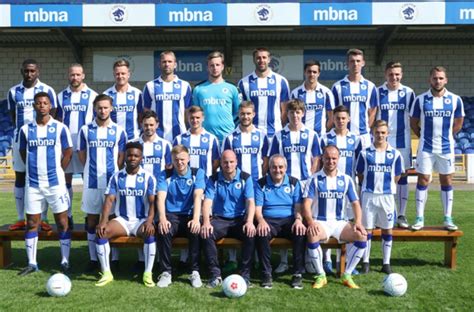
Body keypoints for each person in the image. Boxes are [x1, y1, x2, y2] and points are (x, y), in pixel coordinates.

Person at [17, 92, 73, 275]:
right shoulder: (25, 130)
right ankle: (32, 263)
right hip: (33, 184)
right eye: (39, 103)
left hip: (55, 183)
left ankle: (65, 260)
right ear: (34, 106)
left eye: (45, 103)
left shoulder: (60, 128)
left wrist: (58, 170)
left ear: (50, 106)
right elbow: (24, 153)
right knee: (32, 222)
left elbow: (68, 152)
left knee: (62, 222)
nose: (42, 106)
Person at [302, 145, 367, 289]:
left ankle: (347, 274)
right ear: (322, 159)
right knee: (312, 235)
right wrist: (311, 222)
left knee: (362, 236)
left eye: (333, 158)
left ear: (338, 159)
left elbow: (356, 204)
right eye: (327, 158)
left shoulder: (346, 179)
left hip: (340, 223)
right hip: (320, 221)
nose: (330, 161)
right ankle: (321, 275)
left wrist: (358, 222)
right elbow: (306, 205)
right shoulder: (314, 179)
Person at [95, 141, 157, 287]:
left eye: (136, 156)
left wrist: (149, 220)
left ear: (141, 158)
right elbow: (109, 200)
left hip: (141, 220)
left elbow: (153, 202)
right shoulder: (116, 177)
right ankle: (106, 273)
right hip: (122, 220)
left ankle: (148, 273)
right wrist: (103, 221)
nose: (132, 158)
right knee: (102, 232)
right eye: (130, 155)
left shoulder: (148, 177)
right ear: (125, 157)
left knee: (150, 233)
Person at [410, 66, 464, 231]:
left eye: (441, 78)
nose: (438, 81)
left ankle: (447, 218)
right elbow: (413, 122)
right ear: (430, 80)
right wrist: (422, 136)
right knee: (423, 180)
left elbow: (459, 122)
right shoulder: (421, 99)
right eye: (435, 78)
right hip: (426, 148)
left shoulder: (455, 99)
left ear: (446, 80)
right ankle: (419, 218)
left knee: (446, 180)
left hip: (446, 148)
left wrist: (447, 136)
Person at [78, 94, 127, 272]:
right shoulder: (85, 130)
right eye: (99, 107)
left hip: (110, 184)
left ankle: (114, 258)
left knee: (112, 219)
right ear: (94, 108)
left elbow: (121, 157)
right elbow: (82, 154)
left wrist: (114, 174)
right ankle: (93, 259)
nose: (103, 110)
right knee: (92, 221)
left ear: (111, 109)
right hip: (91, 183)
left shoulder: (119, 131)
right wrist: (89, 170)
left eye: (106, 107)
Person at [7, 59, 57, 231]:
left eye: (32, 71)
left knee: (41, 177)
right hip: (21, 139)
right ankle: (21, 218)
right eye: (26, 71)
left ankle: (42, 218)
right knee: (20, 176)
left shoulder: (47, 90)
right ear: (22, 71)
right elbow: (13, 115)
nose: (29, 74)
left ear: (38, 71)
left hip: (42, 140)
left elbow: (54, 114)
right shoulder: (13, 92)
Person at [201, 150, 256, 287]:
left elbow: (250, 201)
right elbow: (207, 201)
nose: (228, 165)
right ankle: (215, 274)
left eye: (231, 162)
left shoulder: (245, 178)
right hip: (220, 219)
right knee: (206, 233)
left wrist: (249, 222)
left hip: (239, 219)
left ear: (236, 162)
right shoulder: (213, 179)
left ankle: (245, 275)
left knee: (250, 233)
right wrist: (206, 222)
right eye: (225, 162)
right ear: (220, 163)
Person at [356, 120, 404, 274]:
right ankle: (365, 261)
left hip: (387, 197)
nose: (380, 135)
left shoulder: (395, 154)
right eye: (377, 132)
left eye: (383, 132)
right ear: (372, 133)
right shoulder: (365, 153)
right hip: (369, 195)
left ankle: (386, 263)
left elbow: (397, 176)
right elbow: (360, 174)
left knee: (387, 230)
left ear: (387, 133)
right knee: (367, 230)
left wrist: (386, 187)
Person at [319, 105, 362, 275]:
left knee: (345, 224)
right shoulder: (325, 138)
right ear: (333, 119)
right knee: (328, 220)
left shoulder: (356, 139)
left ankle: (342, 262)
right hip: (329, 185)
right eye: (337, 118)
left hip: (347, 187)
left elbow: (359, 164)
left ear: (349, 119)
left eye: (344, 118)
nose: (340, 121)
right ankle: (327, 260)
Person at [156, 145, 206, 288]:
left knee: (195, 230)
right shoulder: (165, 174)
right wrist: (163, 219)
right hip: (172, 215)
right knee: (163, 229)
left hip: (190, 214)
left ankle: (195, 271)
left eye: (183, 159)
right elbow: (160, 197)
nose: (180, 163)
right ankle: (166, 272)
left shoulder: (198, 173)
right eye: (176, 160)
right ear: (172, 159)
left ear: (189, 158)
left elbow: (198, 196)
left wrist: (196, 219)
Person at [255, 154, 306, 289]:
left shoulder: (294, 183)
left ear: (286, 168)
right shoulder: (261, 184)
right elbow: (258, 209)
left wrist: (299, 220)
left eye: (280, 167)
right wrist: (260, 220)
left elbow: (298, 207)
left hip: (289, 219)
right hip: (269, 220)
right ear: (269, 168)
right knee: (261, 232)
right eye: (274, 167)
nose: (277, 170)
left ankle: (297, 274)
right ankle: (266, 273)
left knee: (300, 232)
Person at [57, 63, 98, 228]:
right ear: (69, 75)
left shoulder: (93, 95)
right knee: (65, 181)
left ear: (83, 76)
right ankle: (68, 214)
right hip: (66, 146)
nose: (75, 77)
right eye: (72, 74)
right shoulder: (61, 96)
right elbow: (58, 121)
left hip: (85, 145)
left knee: (87, 180)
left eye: (78, 74)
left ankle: (90, 215)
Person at [377, 62, 416, 228]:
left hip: (403, 142)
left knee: (402, 178)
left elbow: (414, 117)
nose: (394, 77)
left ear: (402, 75)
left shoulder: (408, 93)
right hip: (382, 140)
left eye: (397, 74)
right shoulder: (377, 92)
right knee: (382, 176)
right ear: (386, 74)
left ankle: (401, 214)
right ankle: (385, 213)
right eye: (391, 74)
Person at [238, 47, 290, 138]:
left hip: (275, 133)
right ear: (254, 60)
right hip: (252, 133)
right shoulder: (244, 83)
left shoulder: (281, 81)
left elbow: (285, 110)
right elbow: (241, 109)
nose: (261, 60)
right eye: (258, 58)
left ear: (269, 59)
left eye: (264, 57)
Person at [331, 49, 377, 149]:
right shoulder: (337, 87)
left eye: (358, 61)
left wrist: (365, 129)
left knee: (363, 164)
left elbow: (372, 112)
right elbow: (332, 113)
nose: (355, 64)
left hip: (363, 137)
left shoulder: (370, 86)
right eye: (352, 61)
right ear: (347, 64)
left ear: (363, 63)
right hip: (343, 136)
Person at [142, 51, 192, 142]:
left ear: (175, 64)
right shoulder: (150, 86)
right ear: (159, 64)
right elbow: (146, 112)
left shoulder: (185, 85)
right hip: (156, 135)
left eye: (170, 61)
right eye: (164, 62)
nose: (167, 64)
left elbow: (188, 112)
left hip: (179, 134)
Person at [269, 99, 321, 185]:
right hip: (285, 182)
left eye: (297, 112)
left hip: (305, 181)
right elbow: (272, 159)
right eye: (291, 112)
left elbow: (316, 159)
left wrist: (311, 176)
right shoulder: (278, 135)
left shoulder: (312, 135)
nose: (295, 115)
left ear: (303, 113)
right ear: (287, 114)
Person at [192, 51, 240, 142]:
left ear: (222, 66)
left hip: (227, 136)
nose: (215, 68)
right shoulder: (198, 89)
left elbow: (237, 112)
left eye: (217, 65)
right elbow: (195, 114)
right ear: (207, 68)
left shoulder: (232, 88)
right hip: (205, 137)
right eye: (212, 65)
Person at [222, 101, 270, 184]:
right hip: (236, 182)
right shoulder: (229, 137)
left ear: (253, 114)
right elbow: (224, 161)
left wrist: (261, 176)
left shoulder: (262, 135)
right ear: (238, 114)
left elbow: (266, 161)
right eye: (242, 114)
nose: (245, 116)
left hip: (256, 181)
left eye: (248, 113)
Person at [291, 59, 335, 136]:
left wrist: (324, 131)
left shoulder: (326, 92)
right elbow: (291, 116)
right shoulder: (295, 93)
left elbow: (331, 118)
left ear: (319, 74)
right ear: (305, 72)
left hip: (320, 137)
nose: (312, 74)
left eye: (314, 72)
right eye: (309, 71)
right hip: (301, 136)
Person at [173, 105, 220, 178]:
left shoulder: (212, 139)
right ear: (188, 119)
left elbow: (216, 162)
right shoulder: (179, 139)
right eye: (192, 118)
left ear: (203, 118)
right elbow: (174, 161)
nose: (195, 120)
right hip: (185, 182)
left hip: (205, 182)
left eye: (197, 118)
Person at [104, 59, 142, 141]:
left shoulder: (137, 93)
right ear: (114, 74)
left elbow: (141, 116)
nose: (120, 76)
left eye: (123, 73)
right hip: (112, 139)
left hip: (133, 140)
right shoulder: (106, 95)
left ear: (129, 74)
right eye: (117, 74)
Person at [139, 110, 172, 179]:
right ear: (141, 124)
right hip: (141, 186)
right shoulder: (134, 144)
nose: (148, 128)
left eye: (151, 125)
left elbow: (169, 167)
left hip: (159, 187)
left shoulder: (165, 145)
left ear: (157, 125)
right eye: (146, 125)